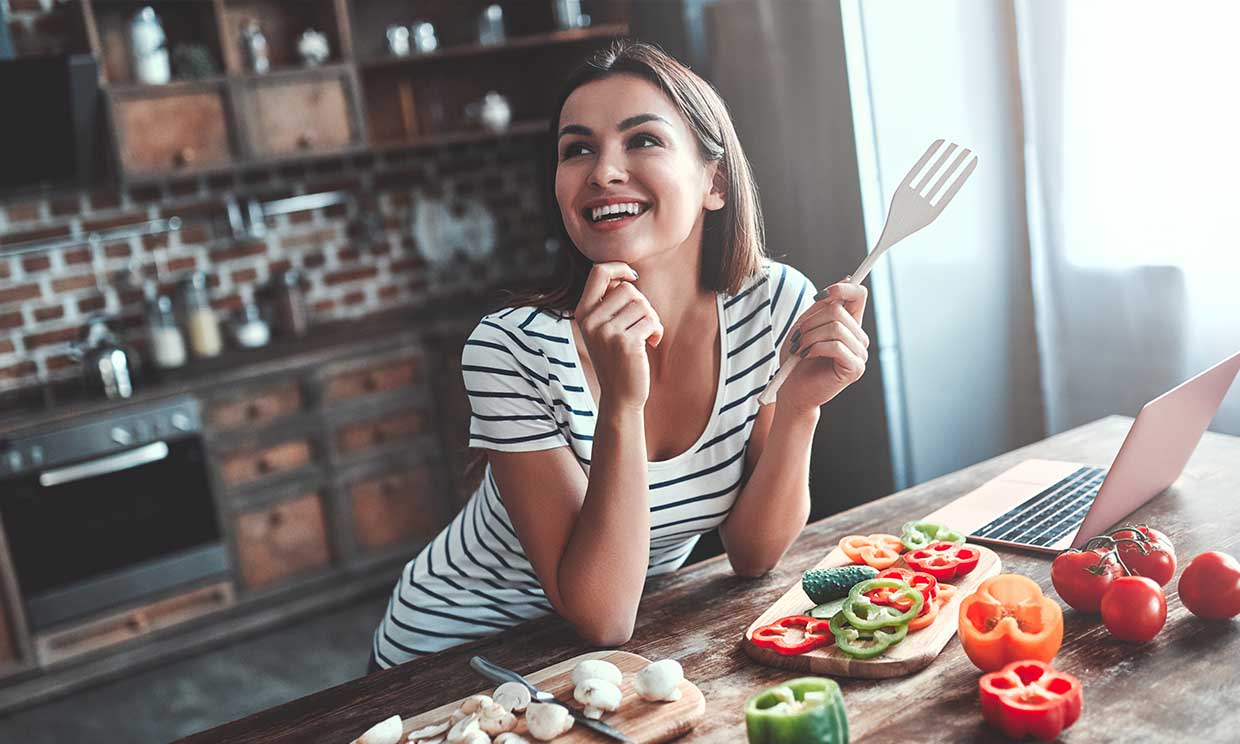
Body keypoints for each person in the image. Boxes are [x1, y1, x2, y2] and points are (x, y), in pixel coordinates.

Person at [370, 40, 870, 670]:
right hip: (450, 655)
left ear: (714, 181)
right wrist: (622, 404)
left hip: (619, 648)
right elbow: (603, 615)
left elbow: (753, 553)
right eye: (577, 149)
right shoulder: (510, 349)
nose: (603, 171)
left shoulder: (771, 305)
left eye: (643, 141)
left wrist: (799, 408)